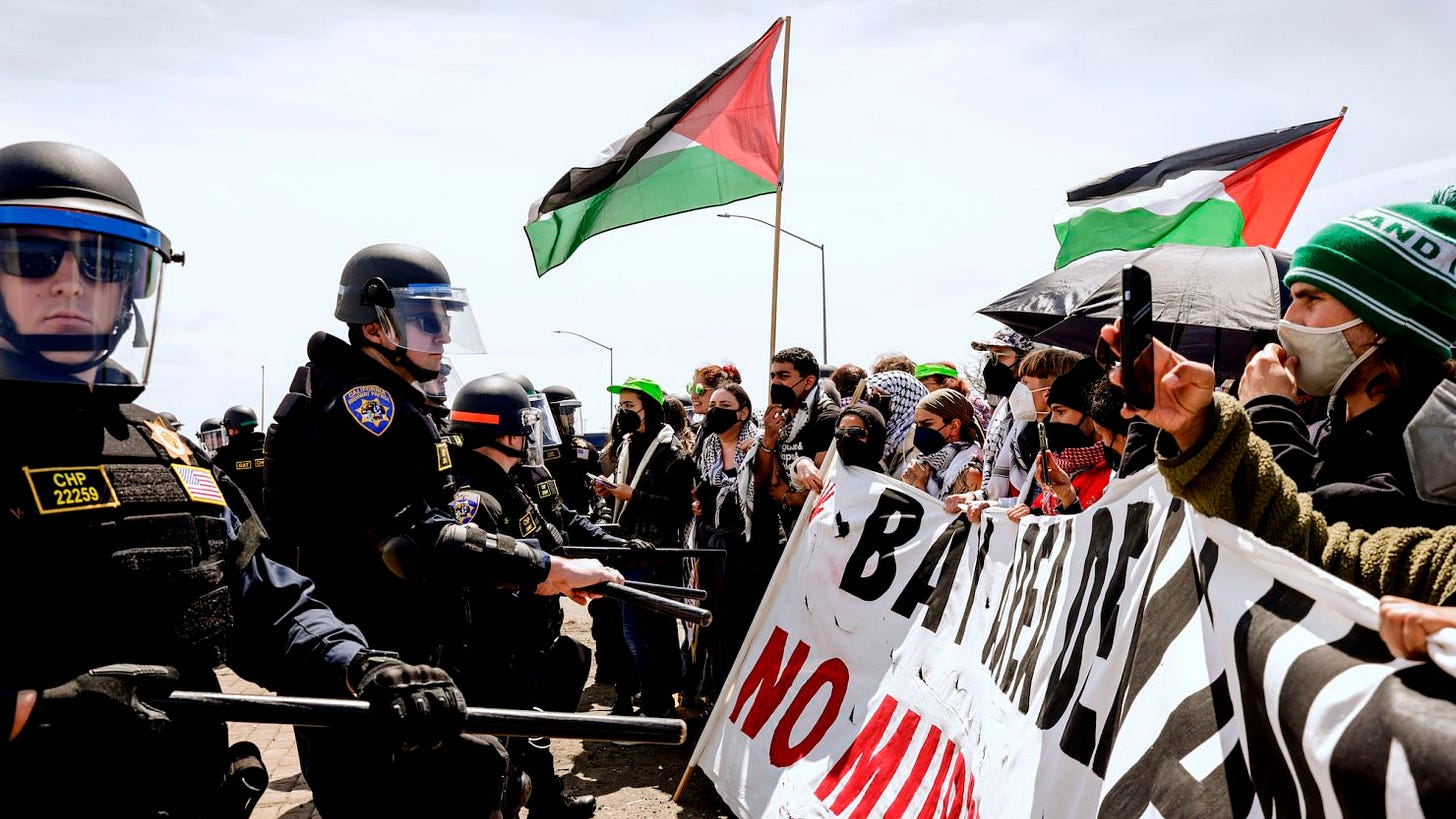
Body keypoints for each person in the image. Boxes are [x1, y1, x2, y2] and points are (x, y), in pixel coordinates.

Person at [0, 140, 469, 816]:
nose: (73, 282)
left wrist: (359, 665)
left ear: (133, 286)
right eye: (37, 257)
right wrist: (39, 715)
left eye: (106, 260)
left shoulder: (168, 453)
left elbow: (262, 600)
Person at [262, 241, 615, 816]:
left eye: (446, 319)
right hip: (370, 653)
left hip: (384, 649)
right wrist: (545, 569)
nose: (444, 335)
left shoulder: (376, 396)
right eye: (427, 319)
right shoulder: (364, 405)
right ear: (376, 325)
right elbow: (413, 538)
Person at [446, 375, 628, 819]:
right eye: (528, 424)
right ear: (502, 430)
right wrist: (552, 581)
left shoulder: (508, 482)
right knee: (501, 746)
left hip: (525, 639)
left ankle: (547, 800)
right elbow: (485, 579)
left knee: (532, 726)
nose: (533, 435)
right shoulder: (475, 497)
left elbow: (548, 540)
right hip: (496, 649)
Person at [1237, 193, 1456, 532]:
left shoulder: (1435, 452)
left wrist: (1268, 413)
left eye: (1312, 299)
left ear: (1384, 322)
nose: (1289, 320)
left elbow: (1306, 537)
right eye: (1292, 298)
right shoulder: (1334, 424)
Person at [594, 377, 696, 718]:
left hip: (655, 552)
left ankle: (656, 703)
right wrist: (612, 494)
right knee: (637, 631)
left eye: (629, 407)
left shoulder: (672, 451)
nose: (622, 413)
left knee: (641, 632)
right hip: (626, 547)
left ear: (649, 409)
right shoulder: (626, 446)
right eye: (620, 406)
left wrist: (631, 495)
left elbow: (680, 510)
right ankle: (653, 700)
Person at [690, 382, 759, 706]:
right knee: (712, 624)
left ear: (742, 412)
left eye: (724, 404)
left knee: (738, 626)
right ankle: (715, 696)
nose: (715, 409)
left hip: (744, 552)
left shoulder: (757, 448)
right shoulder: (708, 449)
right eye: (712, 403)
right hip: (709, 546)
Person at [755, 347, 842, 548]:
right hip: (787, 527)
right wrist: (769, 438)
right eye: (773, 376)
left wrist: (789, 498)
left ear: (809, 381)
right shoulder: (781, 420)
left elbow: (824, 486)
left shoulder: (826, 417)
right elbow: (761, 480)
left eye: (784, 376)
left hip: (817, 532)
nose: (775, 383)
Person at [1009, 356, 1113, 520]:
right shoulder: (1063, 468)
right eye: (1052, 412)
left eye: (1060, 412)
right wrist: (1030, 514)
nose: (1053, 422)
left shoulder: (1114, 475)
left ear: (1092, 415)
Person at [972, 327, 1039, 501]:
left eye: (1001, 356)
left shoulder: (1038, 411)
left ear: (1026, 358)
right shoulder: (1003, 410)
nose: (993, 364)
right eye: (991, 357)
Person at [902, 388, 983, 500]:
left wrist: (918, 487)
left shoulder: (969, 471)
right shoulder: (927, 462)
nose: (919, 431)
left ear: (954, 426)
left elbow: (951, 517)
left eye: (926, 424)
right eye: (917, 425)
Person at [542, 383, 603, 518]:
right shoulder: (535, 452)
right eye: (566, 411)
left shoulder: (585, 449)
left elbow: (600, 490)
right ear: (550, 414)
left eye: (573, 411)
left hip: (581, 521)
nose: (571, 416)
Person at [863, 367, 927, 478]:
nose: (874, 406)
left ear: (903, 400)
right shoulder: (878, 438)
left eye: (881, 398)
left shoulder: (921, 445)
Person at [213, 404, 266, 515]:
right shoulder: (270, 450)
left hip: (243, 521)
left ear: (232, 430)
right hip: (274, 518)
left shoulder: (222, 458)